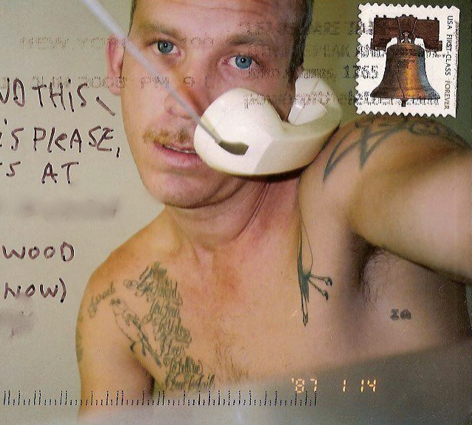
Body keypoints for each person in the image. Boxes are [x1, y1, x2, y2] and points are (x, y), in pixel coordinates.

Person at [75, 0, 472, 418]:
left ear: (293, 92)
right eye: (164, 47)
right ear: (118, 64)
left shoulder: (347, 183)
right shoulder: (117, 300)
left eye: (242, 61)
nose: (185, 101)